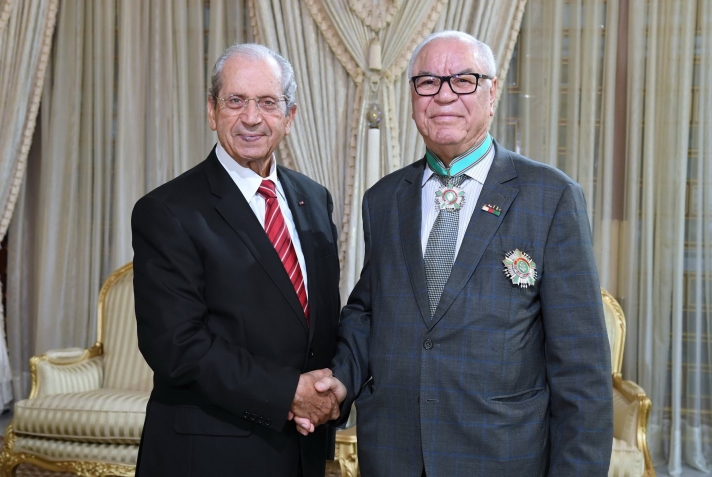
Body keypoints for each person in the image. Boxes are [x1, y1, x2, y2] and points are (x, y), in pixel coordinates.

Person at [300, 30, 614, 476]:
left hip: (500, 457)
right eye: (427, 82)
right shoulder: (384, 199)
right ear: (413, 97)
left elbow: (582, 371)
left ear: (492, 92)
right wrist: (340, 381)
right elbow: (369, 311)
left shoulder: (551, 197)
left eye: (463, 80)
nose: (444, 95)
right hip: (393, 454)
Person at [131, 43, 341, 477]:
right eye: (235, 101)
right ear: (212, 111)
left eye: (267, 102)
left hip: (301, 449)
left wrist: (330, 390)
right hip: (210, 453)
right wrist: (289, 393)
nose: (251, 118)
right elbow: (176, 346)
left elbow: (319, 321)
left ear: (289, 116)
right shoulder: (168, 210)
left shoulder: (314, 198)